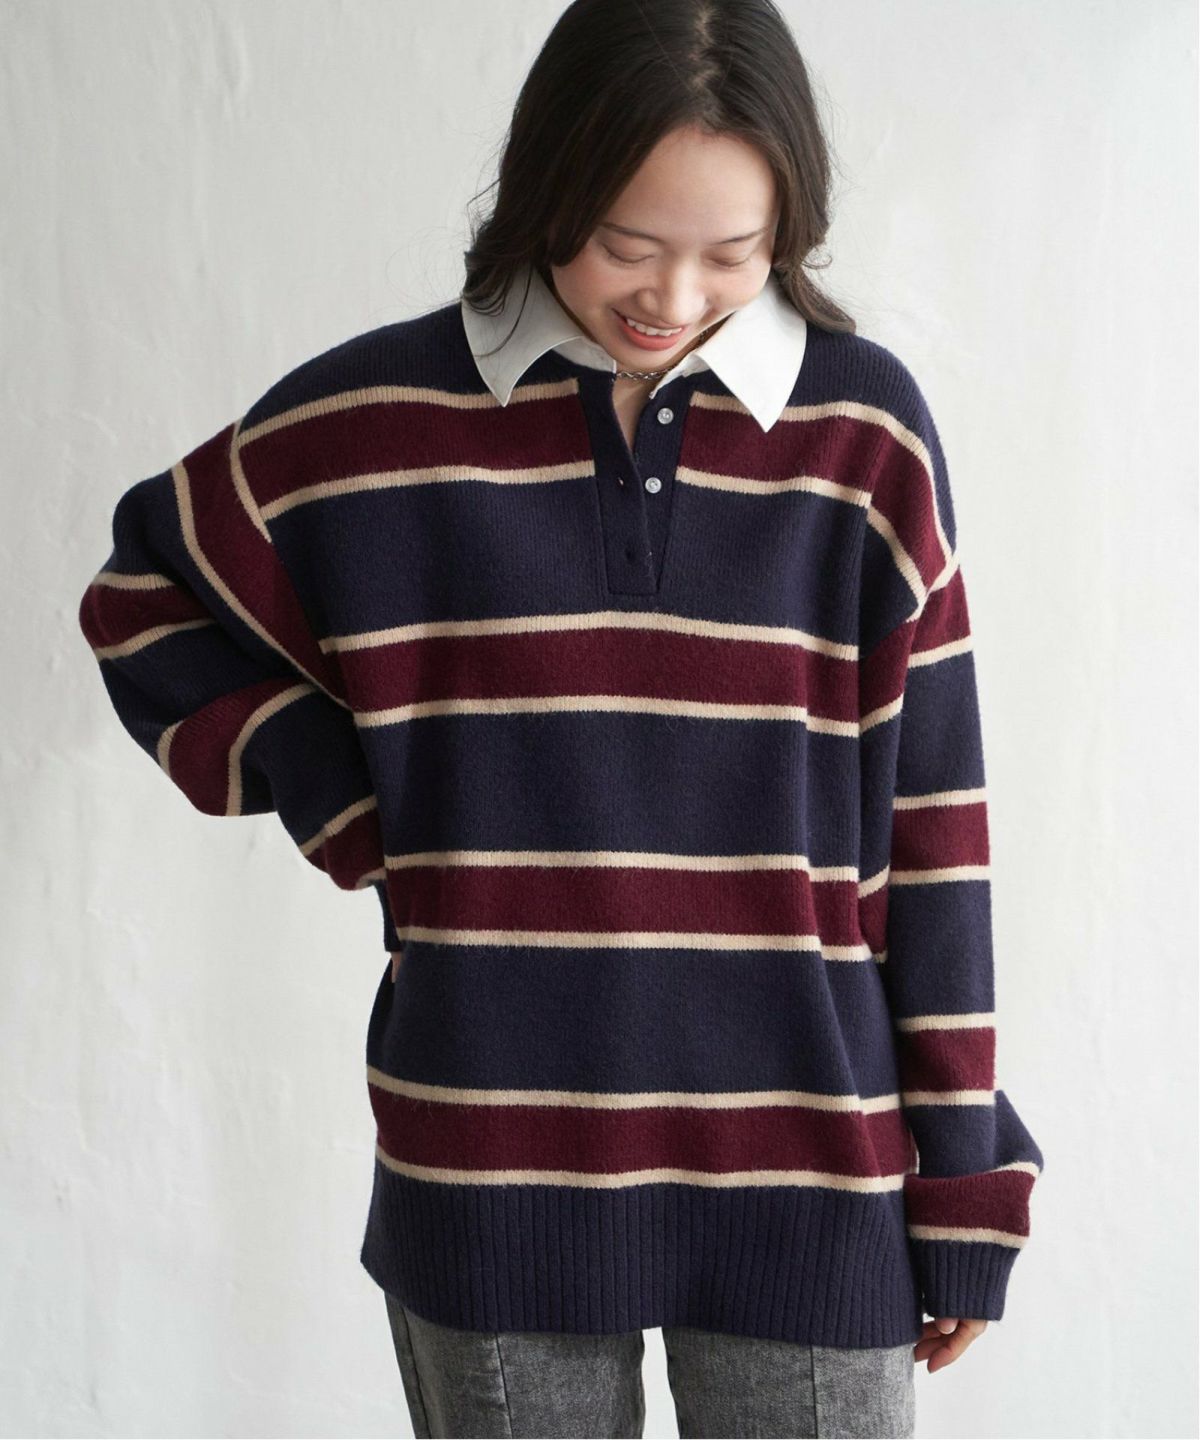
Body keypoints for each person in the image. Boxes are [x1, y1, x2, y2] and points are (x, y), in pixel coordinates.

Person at [76, 0, 1045, 1434]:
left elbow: (933, 823)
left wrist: (965, 1166)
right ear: (546, 189)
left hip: (813, 1157)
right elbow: (144, 597)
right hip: (490, 1159)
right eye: (625, 242)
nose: (672, 295)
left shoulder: (862, 439)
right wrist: (351, 803)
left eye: (732, 254)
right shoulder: (377, 422)